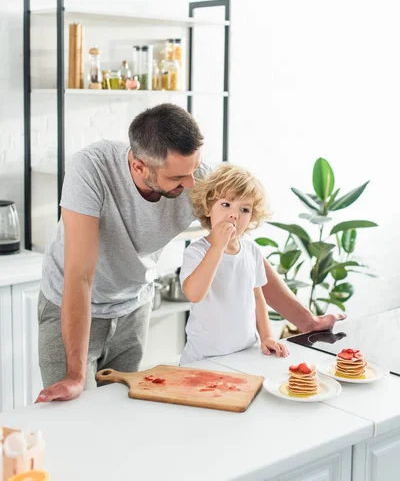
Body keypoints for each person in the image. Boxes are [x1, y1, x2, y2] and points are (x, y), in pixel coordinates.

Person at [36, 103, 345, 403]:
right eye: (177, 178)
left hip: (132, 306)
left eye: (194, 170)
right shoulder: (91, 168)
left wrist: (305, 321)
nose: (192, 184)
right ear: (139, 166)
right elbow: (79, 274)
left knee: (119, 412)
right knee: (72, 414)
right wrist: (75, 375)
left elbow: (248, 257)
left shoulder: (196, 178)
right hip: (72, 304)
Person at [180, 163, 289, 364]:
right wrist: (217, 247)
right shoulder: (196, 252)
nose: (234, 214)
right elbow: (194, 294)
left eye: (244, 209)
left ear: (252, 217)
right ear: (207, 208)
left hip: (245, 354)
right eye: (226, 204)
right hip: (204, 359)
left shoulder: (252, 251)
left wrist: (267, 336)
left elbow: (258, 298)